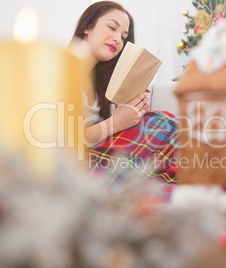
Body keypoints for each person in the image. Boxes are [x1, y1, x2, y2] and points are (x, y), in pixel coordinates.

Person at [72, 1, 178, 201]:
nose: (117, 39)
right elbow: (64, 138)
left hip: (107, 158)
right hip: (79, 163)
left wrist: (133, 106)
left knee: (162, 122)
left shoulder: (102, 86)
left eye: (123, 36)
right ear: (87, 27)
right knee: (161, 122)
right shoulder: (62, 69)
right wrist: (117, 122)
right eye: (112, 28)